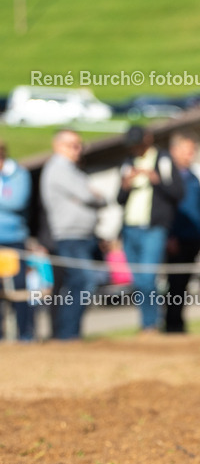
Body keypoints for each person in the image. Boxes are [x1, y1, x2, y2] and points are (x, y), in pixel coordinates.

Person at [117, 125, 184, 333]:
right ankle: (147, 322)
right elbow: (118, 199)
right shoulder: (127, 162)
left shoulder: (163, 160)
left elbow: (178, 192)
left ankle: (150, 324)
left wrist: (157, 181)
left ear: (147, 139)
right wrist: (125, 186)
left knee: (147, 277)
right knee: (138, 281)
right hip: (130, 228)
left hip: (154, 228)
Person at [40, 130, 106, 340]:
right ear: (58, 145)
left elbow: (101, 199)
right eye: (72, 145)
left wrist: (91, 198)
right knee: (83, 282)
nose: (78, 150)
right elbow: (89, 195)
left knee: (79, 283)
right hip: (70, 236)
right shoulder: (59, 168)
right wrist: (90, 196)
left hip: (83, 235)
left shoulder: (74, 170)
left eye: (79, 145)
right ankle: (67, 334)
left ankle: (70, 333)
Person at [164, 131, 200, 334]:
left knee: (184, 285)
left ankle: (178, 323)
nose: (191, 154)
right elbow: (168, 210)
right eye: (186, 150)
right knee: (174, 283)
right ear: (174, 151)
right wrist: (170, 235)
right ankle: (171, 324)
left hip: (192, 238)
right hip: (176, 239)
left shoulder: (194, 178)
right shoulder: (169, 179)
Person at [0, 139, 35, 342]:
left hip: (13, 239)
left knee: (19, 288)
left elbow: (17, 201)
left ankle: (25, 333)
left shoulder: (19, 174)